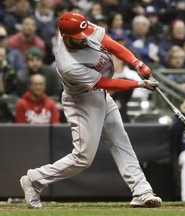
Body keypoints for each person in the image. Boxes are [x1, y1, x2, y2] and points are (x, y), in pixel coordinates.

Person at [19, 12, 161, 209]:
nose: (84, 36)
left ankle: (142, 191)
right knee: (83, 157)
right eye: (79, 36)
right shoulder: (67, 63)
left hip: (100, 95)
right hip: (81, 101)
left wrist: (138, 63)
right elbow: (105, 82)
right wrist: (138, 84)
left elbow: (112, 44)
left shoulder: (80, 26)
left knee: (121, 141)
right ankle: (34, 179)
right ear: (66, 37)